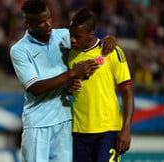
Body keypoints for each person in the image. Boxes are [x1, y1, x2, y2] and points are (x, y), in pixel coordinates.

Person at [9, 0, 116, 161]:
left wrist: (108, 39)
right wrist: (72, 73)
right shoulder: (19, 50)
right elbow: (35, 88)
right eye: (42, 22)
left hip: (65, 121)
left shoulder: (63, 36)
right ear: (28, 23)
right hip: (38, 123)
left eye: (49, 18)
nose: (48, 24)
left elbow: (89, 40)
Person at [67, 8, 134, 162]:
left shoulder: (111, 51)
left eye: (78, 37)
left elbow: (127, 92)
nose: (73, 40)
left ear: (91, 34)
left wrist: (126, 129)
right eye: (71, 36)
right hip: (79, 131)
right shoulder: (69, 54)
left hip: (108, 131)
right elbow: (66, 86)